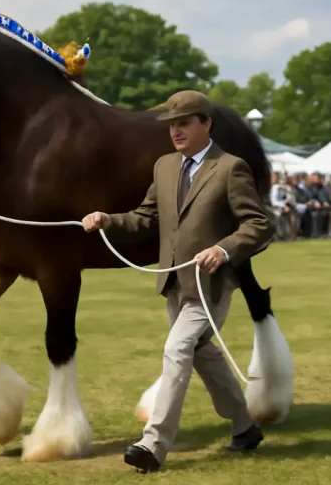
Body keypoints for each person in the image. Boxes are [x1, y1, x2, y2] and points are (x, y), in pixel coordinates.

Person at [81, 90, 274, 473]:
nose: (176, 131)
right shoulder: (165, 166)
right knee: (202, 353)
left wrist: (223, 249)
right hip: (173, 282)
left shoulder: (230, 167)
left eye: (184, 123)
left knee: (177, 348)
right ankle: (244, 427)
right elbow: (146, 218)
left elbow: (259, 223)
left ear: (207, 124)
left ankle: (152, 445)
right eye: (172, 125)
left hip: (211, 285)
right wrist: (108, 220)